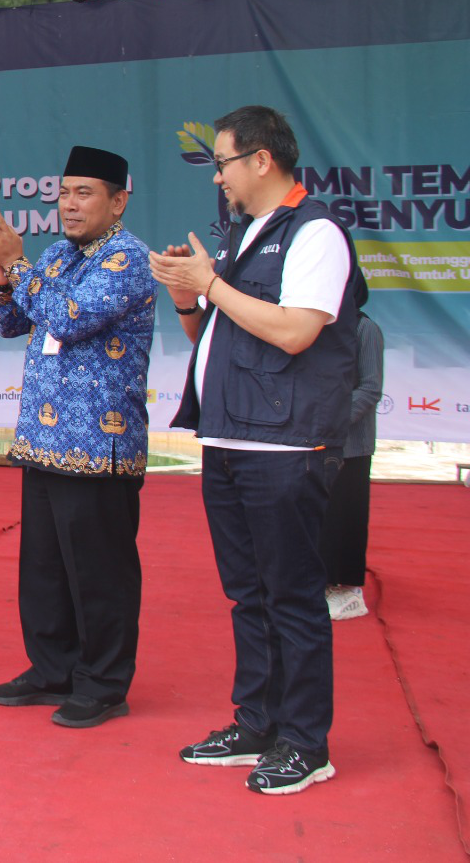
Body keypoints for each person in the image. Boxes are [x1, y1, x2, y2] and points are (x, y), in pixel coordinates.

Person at [151, 104, 360, 796]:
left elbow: (297, 331)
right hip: (229, 438)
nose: (219, 178)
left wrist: (212, 284)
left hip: (283, 445)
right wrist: (190, 296)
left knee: (292, 596)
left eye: (223, 163)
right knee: (248, 595)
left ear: (261, 160)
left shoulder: (315, 232)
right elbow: (219, 337)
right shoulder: (247, 234)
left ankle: (306, 741)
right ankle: (258, 721)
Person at [0, 145, 155, 730]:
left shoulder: (128, 259)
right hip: (43, 440)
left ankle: (103, 683)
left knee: (100, 570)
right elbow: (13, 323)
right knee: (45, 568)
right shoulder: (56, 254)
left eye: (85, 193)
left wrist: (20, 267)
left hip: (98, 443)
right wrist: (4, 280)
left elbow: (70, 316)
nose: (69, 205)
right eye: (64, 192)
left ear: (118, 201)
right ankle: (53, 668)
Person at [322, 292, 382, 621]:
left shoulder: (364, 329)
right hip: (312, 439)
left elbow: (371, 387)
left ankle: (346, 589)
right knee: (315, 515)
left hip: (351, 443)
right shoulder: (316, 326)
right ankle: (318, 582)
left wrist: (335, 419)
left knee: (344, 517)